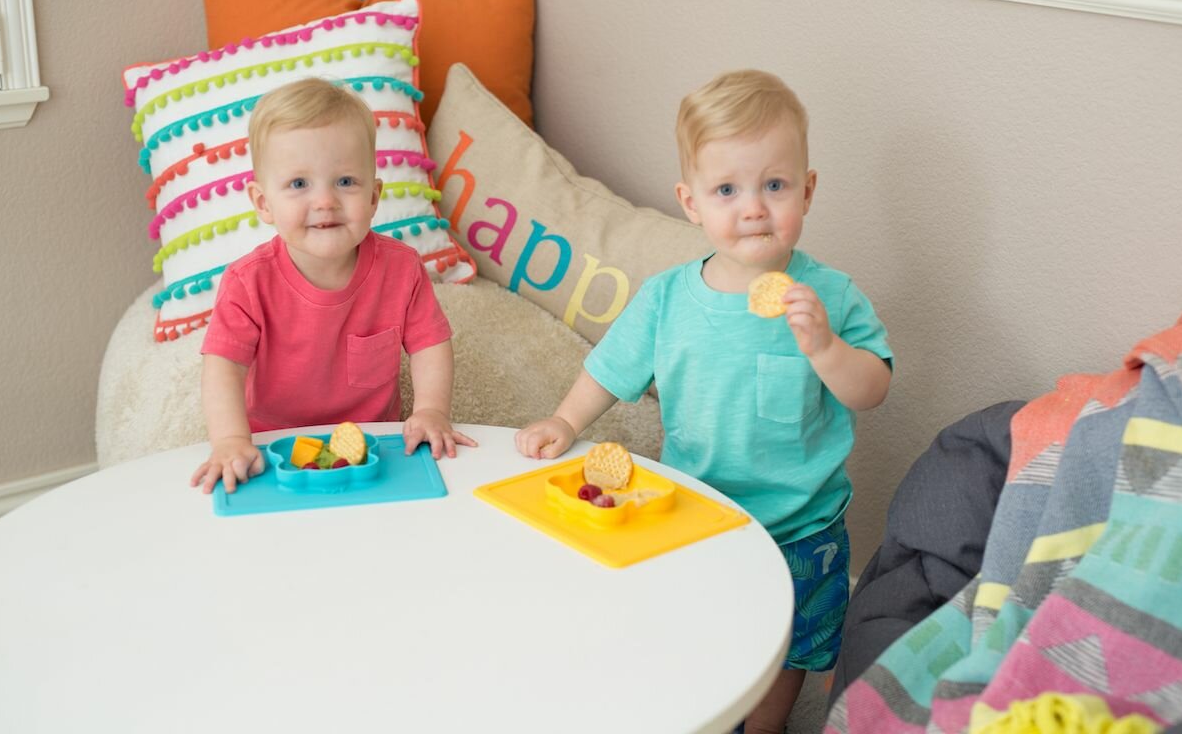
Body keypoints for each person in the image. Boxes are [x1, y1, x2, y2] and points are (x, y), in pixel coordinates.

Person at [515, 69, 892, 733]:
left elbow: (873, 390)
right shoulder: (666, 299)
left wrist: (826, 348)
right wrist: (565, 419)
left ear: (807, 190)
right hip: (694, 514)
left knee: (785, 658)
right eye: (727, 190)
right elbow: (610, 368)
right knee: (696, 639)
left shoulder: (830, 297)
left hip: (801, 528)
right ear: (691, 203)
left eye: (774, 186)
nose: (753, 208)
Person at [191, 78, 475, 495]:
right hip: (272, 444)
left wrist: (432, 410)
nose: (325, 202)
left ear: (374, 197)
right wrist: (231, 439)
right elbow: (223, 367)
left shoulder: (401, 268)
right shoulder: (247, 282)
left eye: (345, 182)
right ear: (264, 203)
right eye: (299, 184)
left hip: (374, 443)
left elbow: (429, 344)